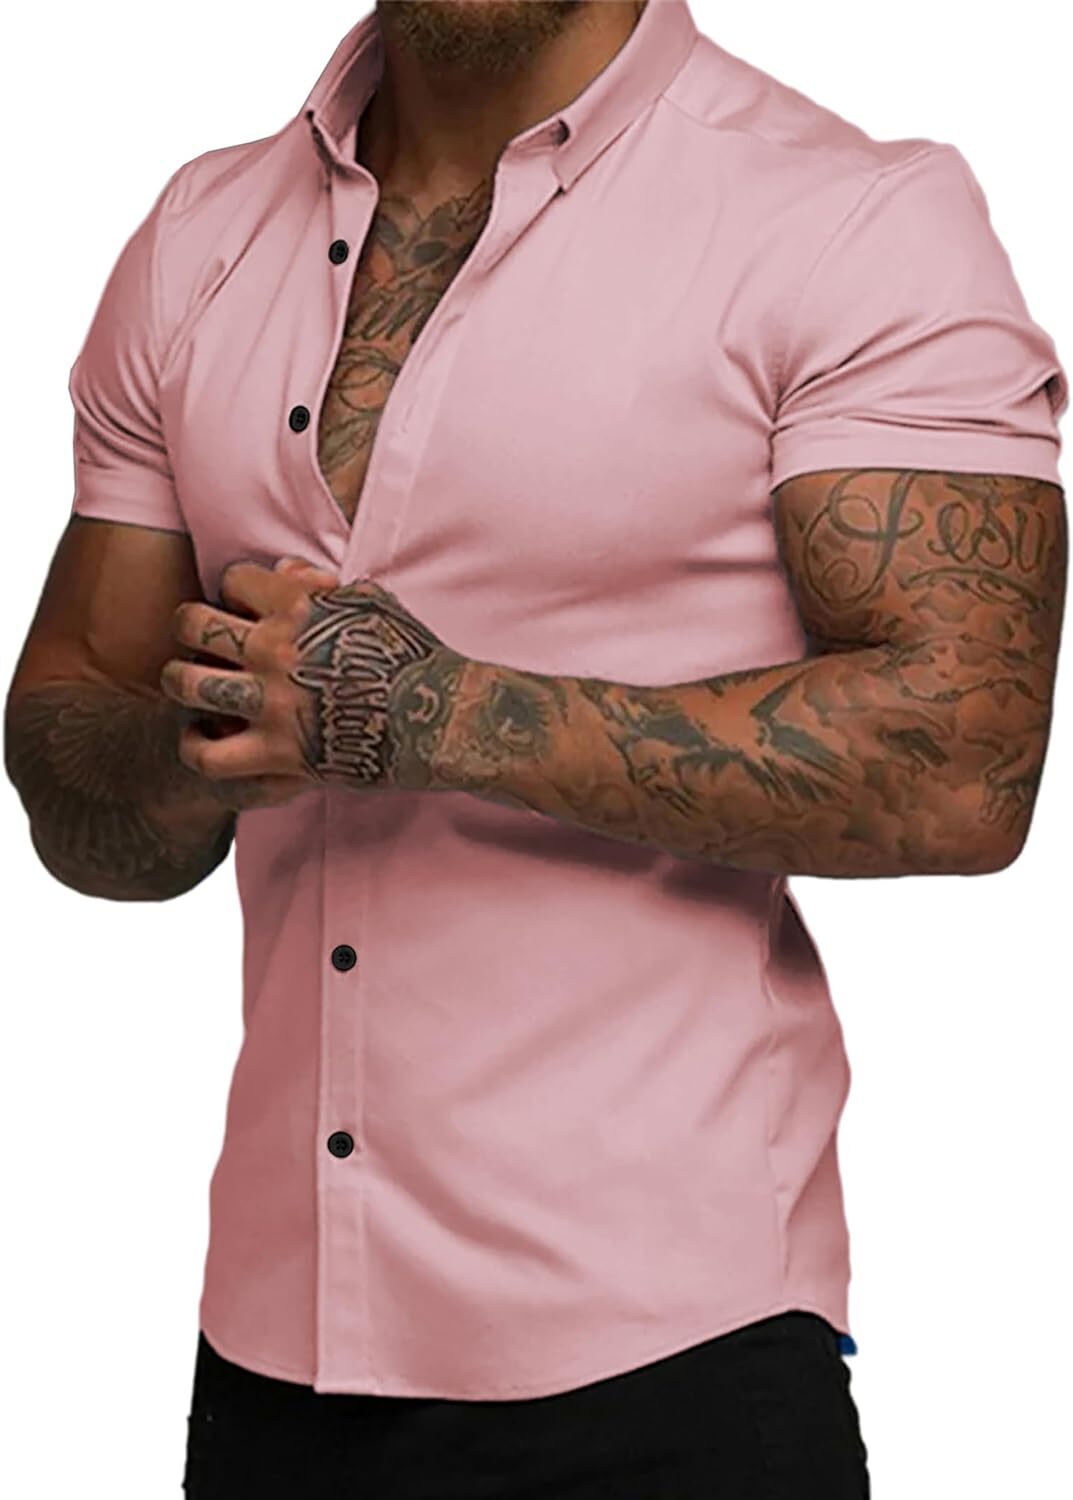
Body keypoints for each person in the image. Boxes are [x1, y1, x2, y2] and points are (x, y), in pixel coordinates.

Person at [5, 0, 1066, 1494]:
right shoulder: (201, 235)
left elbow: (963, 766)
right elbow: (74, 773)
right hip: (269, 1356)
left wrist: (429, 715)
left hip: (668, 1350)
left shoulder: (848, 219)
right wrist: (208, 737)